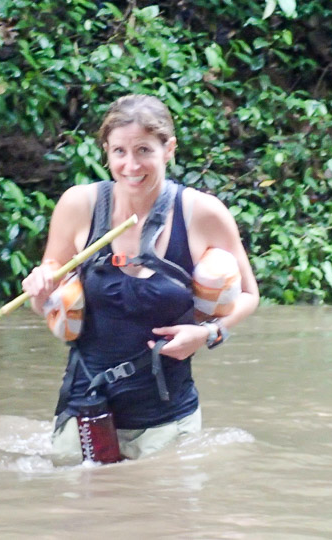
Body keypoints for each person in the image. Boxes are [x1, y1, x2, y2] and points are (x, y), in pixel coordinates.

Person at [22, 94, 259, 461]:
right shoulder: (77, 206)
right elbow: (49, 303)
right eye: (119, 151)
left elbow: (249, 295)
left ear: (169, 149)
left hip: (166, 419)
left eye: (144, 150)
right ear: (106, 151)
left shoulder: (202, 213)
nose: (131, 165)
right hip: (86, 410)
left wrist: (207, 334)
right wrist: (40, 291)